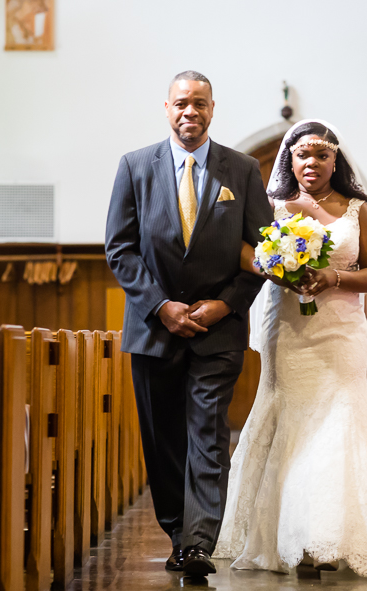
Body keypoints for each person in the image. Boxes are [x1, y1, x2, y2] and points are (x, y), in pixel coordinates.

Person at [214, 120, 367, 577]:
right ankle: (294, 536)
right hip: (289, 329)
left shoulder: (360, 212)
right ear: (289, 160)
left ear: (336, 160)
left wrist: (331, 276)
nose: (311, 164)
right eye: (302, 155)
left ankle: (329, 537)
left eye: (321, 155)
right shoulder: (274, 207)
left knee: (340, 421)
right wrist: (279, 270)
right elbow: (246, 253)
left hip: (341, 330)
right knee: (293, 421)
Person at [105, 71, 272, 577]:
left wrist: (227, 305)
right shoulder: (135, 167)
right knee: (163, 441)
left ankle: (199, 540)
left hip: (217, 330)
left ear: (213, 109)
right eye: (181, 103)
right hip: (154, 329)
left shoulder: (240, 170)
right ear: (167, 107)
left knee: (207, 432)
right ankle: (178, 530)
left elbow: (263, 254)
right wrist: (160, 306)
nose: (190, 112)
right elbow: (120, 248)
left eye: (199, 103)